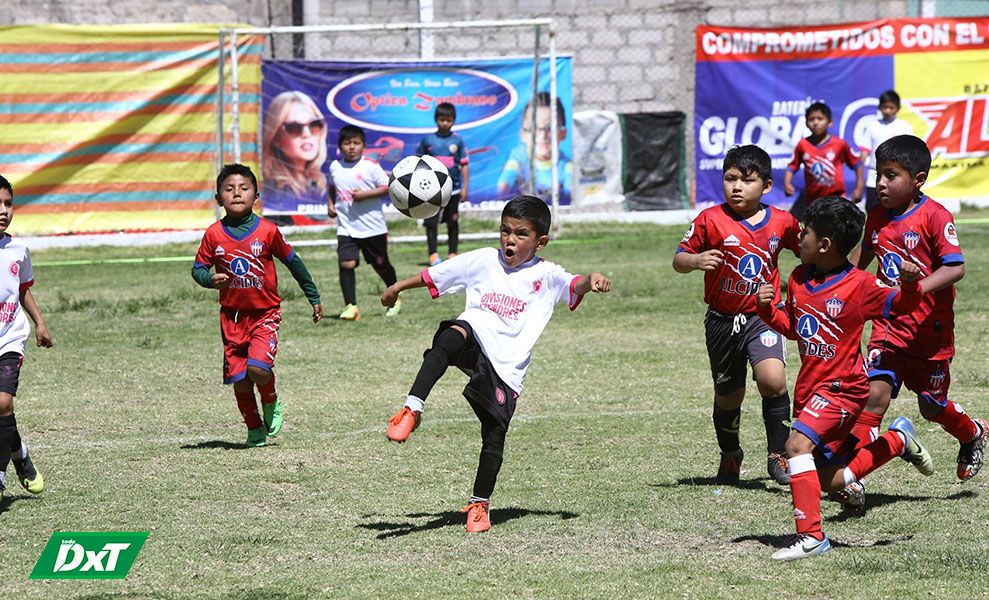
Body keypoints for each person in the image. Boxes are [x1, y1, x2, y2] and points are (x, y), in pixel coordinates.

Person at [380, 195, 611, 533]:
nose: (510, 240)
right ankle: (411, 409)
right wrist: (397, 288)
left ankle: (479, 505)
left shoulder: (546, 274)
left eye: (520, 234)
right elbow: (435, 275)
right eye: (504, 231)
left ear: (540, 241)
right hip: (474, 340)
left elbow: (574, 283)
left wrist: (591, 280)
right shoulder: (483, 261)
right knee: (450, 336)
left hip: (506, 367)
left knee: (494, 434)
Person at [756, 195, 933, 561]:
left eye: (804, 232)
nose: (798, 238)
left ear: (824, 244)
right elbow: (795, 328)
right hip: (810, 390)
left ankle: (812, 537)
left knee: (795, 449)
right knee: (829, 481)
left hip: (843, 390)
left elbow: (903, 305)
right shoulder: (800, 278)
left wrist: (912, 284)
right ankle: (896, 441)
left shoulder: (860, 286)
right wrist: (766, 310)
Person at [850, 134, 986, 481]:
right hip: (888, 326)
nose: (881, 183)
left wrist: (915, 288)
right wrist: (838, 284)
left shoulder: (936, 216)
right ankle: (851, 478)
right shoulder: (877, 216)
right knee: (873, 398)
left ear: (918, 180)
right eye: (879, 174)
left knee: (932, 406)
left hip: (929, 332)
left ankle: (973, 433)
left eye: (891, 175)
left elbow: (955, 267)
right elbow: (861, 260)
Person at [674, 145, 800, 486]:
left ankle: (779, 455)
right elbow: (679, 259)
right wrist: (696, 261)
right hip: (722, 320)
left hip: (763, 316)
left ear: (767, 186)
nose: (737, 187)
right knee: (729, 395)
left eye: (747, 180)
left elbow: (809, 252)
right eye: (730, 179)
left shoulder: (783, 222)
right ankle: (730, 455)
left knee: (773, 380)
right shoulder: (710, 219)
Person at [192, 164, 323, 447]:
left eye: (244, 188)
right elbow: (198, 269)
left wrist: (313, 296)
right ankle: (254, 429)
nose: (236, 193)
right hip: (231, 318)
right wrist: (209, 278)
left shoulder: (267, 231)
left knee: (258, 369)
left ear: (256, 196)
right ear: (218, 199)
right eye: (229, 189)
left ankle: (271, 400)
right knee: (240, 379)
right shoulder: (214, 234)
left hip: (265, 314)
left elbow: (293, 262)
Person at [0, 174, 53, 498]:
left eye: (8, 203)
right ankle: (21, 456)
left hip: (9, 338)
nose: (3, 210)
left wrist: (40, 324)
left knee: (3, 401)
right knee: (1, 413)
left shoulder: (18, 249)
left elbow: (22, 291)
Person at [327, 125, 400, 321]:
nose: (352, 147)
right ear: (340, 146)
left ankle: (396, 294)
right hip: (346, 226)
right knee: (346, 263)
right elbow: (332, 187)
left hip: (372, 227)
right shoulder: (335, 166)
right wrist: (331, 204)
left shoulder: (370, 166)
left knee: (381, 264)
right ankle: (351, 307)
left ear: (363, 146)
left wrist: (365, 195)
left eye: (356, 143)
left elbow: (387, 186)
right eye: (347, 143)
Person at [783, 101, 864, 220]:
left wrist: (859, 188)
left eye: (820, 119)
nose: (815, 122)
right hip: (812, 200)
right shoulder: (802, 145)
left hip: (836, 198)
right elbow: (792, 166)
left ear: (829, 122)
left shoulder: (839, 144)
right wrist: (787, 183)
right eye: (811, 119)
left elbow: (857, 164)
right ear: (806, 123)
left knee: (837, 230)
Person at [416, 102, 470, 266]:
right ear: (436, 120)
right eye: (442, 119)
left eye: (449, 120)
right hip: (432, 191)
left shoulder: (458, 141)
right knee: (431, 222)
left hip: (453, 190)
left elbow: (464, 164)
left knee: (453, 222)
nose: (445, 123)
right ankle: (433, 255)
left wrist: (465, 187)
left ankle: (452, 254)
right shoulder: (428, 140)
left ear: (453, 121)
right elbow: (418, 164)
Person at [261, 90, 329, 218]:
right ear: (275, 138)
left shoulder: (320, 182)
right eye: (294, 127)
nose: (306, 134)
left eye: (314, 125)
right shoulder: (271, 188)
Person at [497, 92, 573, 204]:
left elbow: (571, 191)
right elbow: (503, 185)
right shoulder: (518, 157)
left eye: (550, 128)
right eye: (534, 128)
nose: (543, 136)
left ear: (563, 133)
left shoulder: (566, 166)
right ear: (523, 134)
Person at [859, 91, 913, 213]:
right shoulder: (872, 126)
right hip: (874, 176)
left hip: (897, 176)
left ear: (898, 108)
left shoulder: (904, 127)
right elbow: (864, 153)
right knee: (873, 210)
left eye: (891, 107)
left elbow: (910, 153)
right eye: (885, 107)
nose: (888, 111)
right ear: (880, 108)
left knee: (896, 210)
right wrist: (860, 179)